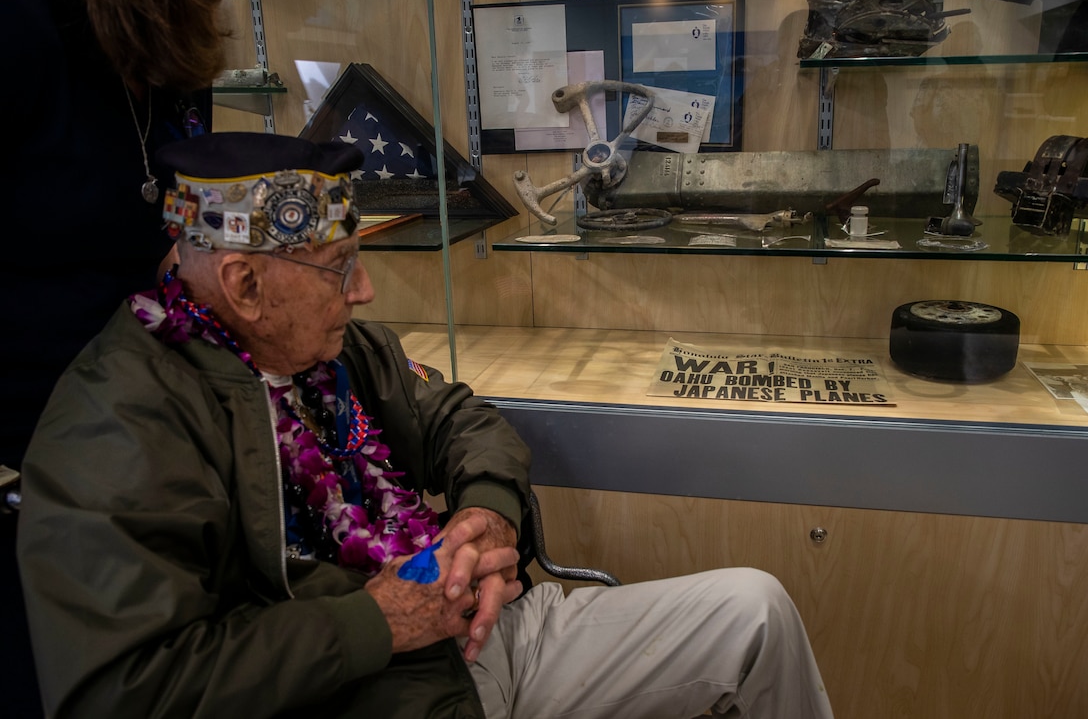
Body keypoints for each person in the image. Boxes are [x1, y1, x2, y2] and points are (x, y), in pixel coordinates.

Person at [17, 131, 835, 718]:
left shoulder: (340, 352)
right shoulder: (118, 421)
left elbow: (460, 416)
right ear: (244, 282)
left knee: (754, 614)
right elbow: (120, 690)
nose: (365, 291)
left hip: (481, 629)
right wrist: (373, 622)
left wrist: (484, 510)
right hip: (364, 687)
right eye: (340, 269)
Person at [2, 0, 244, 712]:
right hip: (26, 463)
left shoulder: (178, 43)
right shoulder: (24, 30)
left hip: (137, 438)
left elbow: (168, 222)